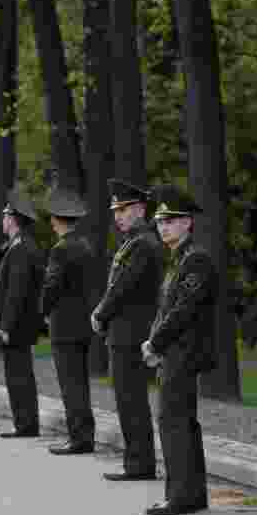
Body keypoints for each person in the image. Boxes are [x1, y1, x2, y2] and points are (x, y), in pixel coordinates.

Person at [141, 185, 218, 515]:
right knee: (180, 422)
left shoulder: (195, 259)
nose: (163, 227)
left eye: (170, 221)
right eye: (160, 222)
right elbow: (167, 309)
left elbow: (183, 311)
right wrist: (156, 342)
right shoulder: (179, 259)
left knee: (174, 421)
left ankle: (181, 495)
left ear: (188, 223)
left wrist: (155, 342)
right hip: (174, 350)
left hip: (183, 351)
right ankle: (191, 493)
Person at [92, 179, 163, 481]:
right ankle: (136, 461)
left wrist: (100, 312)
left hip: (131, 332)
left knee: (130, 399)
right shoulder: (134, 242)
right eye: (115, 210)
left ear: (140, 209)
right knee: (127, 399)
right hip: (125, 331)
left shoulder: (143, 243)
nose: (118, 216)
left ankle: (139, 464)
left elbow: (123, 287)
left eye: (123, 209)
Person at [40, 189, 98, 455]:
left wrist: (42, 310)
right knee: (81, 383)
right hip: (83, 323)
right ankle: (85, 434)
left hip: (63, 326)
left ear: (57, 221)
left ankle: (78, 438)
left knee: (70, 384)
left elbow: (51, 287)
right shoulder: (85, 246)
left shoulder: (60, 250)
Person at [0, 189, 45, 438]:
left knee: (19, 375)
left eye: (5, 215)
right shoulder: (19, 245)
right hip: (20, 323)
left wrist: (5, 326)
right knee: (18, 374)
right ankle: (24, 422)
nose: (2, 220)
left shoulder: (22, 248)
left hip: (18, 325)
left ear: (12, 218)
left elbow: (16, 291)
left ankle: (25, 424)